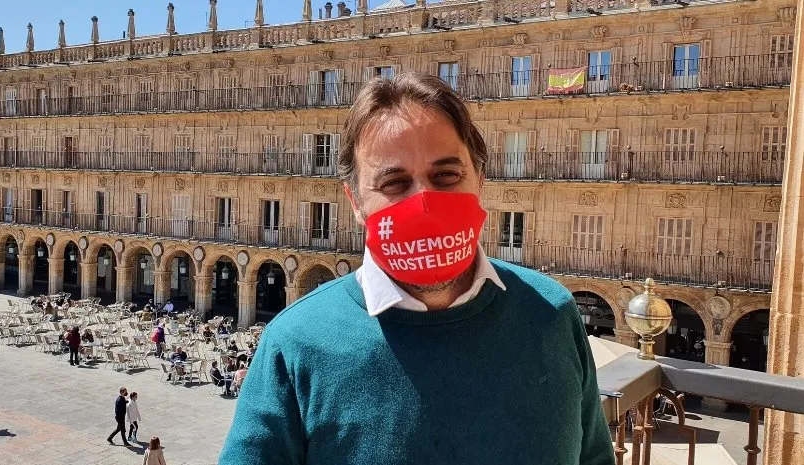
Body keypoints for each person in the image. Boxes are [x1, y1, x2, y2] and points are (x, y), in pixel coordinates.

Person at [219, 73, 613, 464]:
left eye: (446, 175)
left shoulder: (552, 314)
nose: (424, 202)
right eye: (394, 182)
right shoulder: (295, 343)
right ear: (355, 201)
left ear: (481, 178)